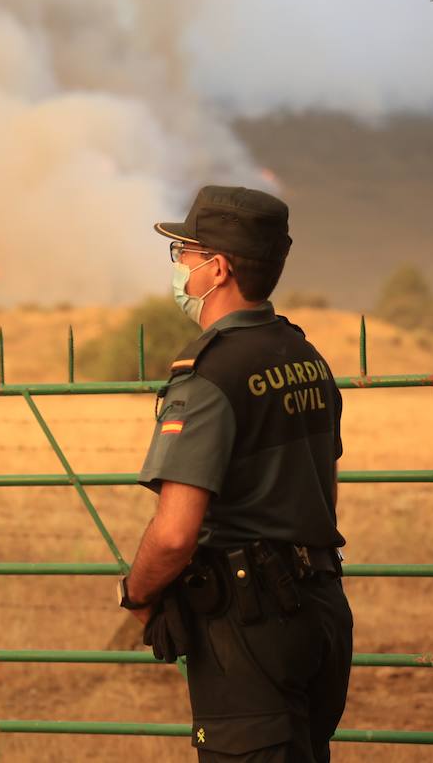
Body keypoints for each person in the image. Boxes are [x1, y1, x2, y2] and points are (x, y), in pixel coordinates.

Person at [119, 185, 352, 762]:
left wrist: (138, 594)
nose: (179, 269)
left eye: (185, 256)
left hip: (250, 627)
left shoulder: (208, 375)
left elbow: (175, 534)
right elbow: (325, 486)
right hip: (320, 610)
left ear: (217, 268)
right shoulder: (305, 357)